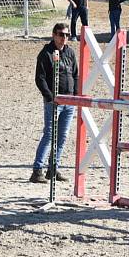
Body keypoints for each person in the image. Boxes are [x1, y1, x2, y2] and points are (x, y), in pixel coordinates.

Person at [31, 22, 78, 184]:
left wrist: (76, 96)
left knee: (62, 136)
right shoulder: (46, 53)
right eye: (60, 34)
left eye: (66, 34)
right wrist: (50, 97)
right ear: (54, 35)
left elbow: (76, 75)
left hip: (69, 101)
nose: (64, 37)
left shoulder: (70, 52)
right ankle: (37, 169)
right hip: (54, 101)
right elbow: (40, 78)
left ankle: (53, 167)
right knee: (50, 135)